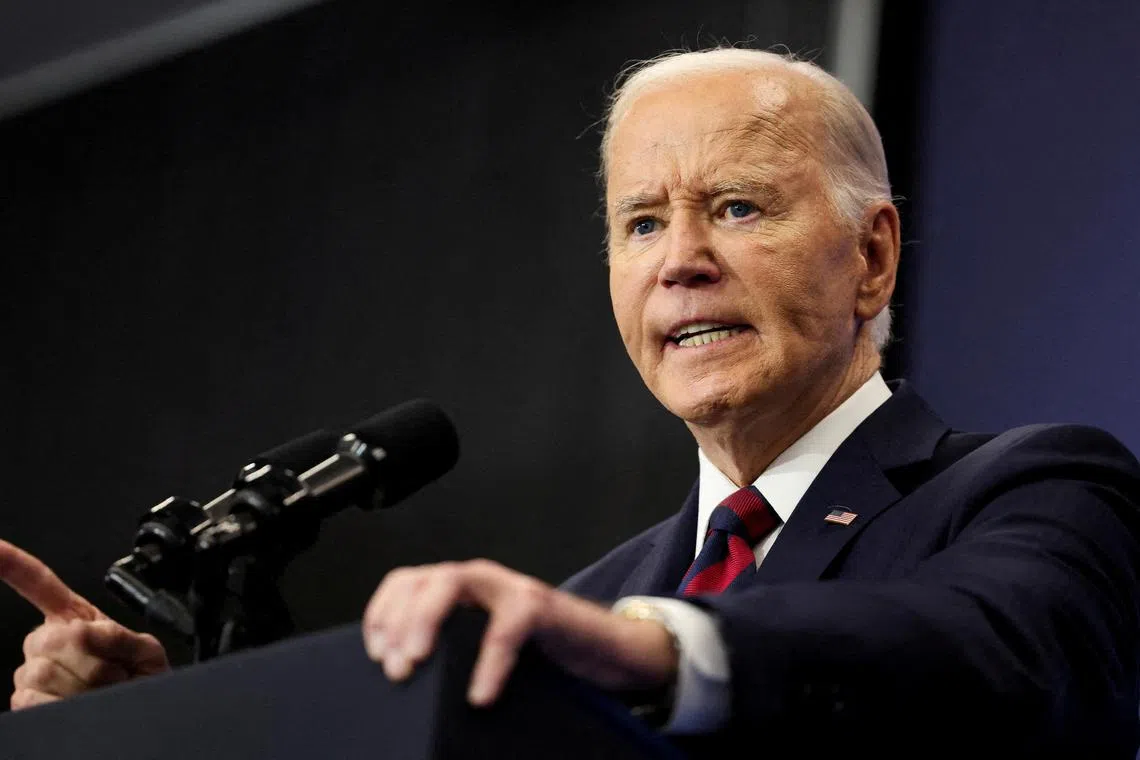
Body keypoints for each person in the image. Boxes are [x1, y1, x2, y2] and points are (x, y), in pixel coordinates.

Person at [3, 48, 1139, 756]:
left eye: (736, 207)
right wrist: (147, 741)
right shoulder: (586, 602)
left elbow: (998, 652)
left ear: (873, 259)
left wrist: (662, 652)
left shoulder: (1033, 489)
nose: (679, 260)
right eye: (642, 222)